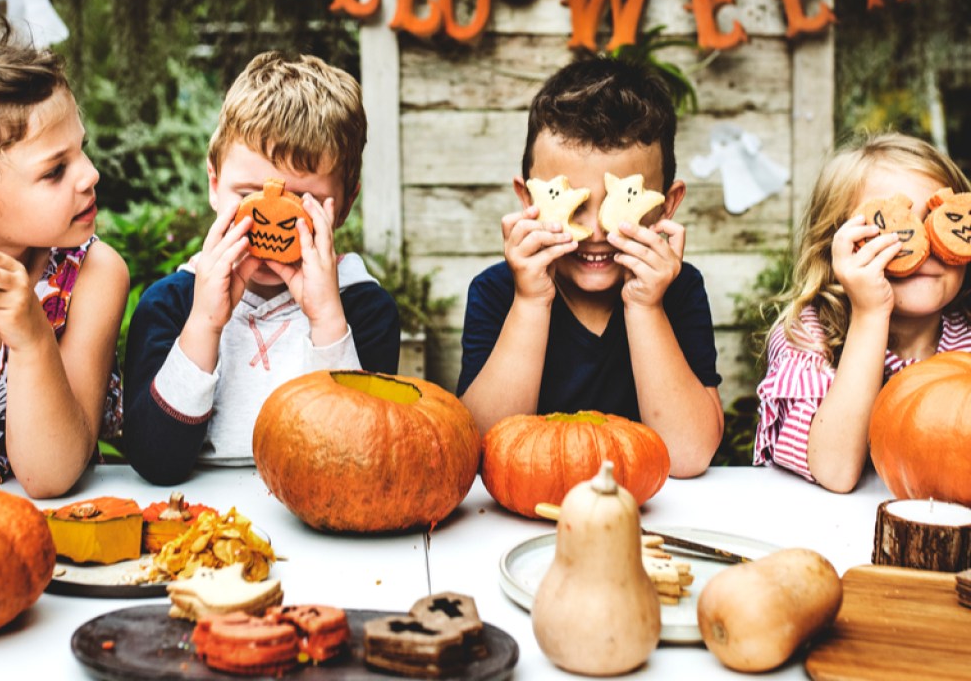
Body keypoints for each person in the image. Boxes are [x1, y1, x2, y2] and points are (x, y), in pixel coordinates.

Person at [123, 51, 400, 485]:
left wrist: (327, 322)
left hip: (321, 518)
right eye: (250, 195)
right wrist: (204, 325)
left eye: (300, 204)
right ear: (215, 185)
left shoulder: (363, 308)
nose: (271, 223)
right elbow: (154, 462)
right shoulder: (171, 304)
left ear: (344, 204)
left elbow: (356, 463)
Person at [458, 56, 723, 478]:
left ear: (667, 205)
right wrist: (530, 302)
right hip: (524, 513)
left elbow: (689, 455)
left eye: (620, 204)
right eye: (575, 204)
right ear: (528, 200)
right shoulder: (497, 292)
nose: (596, 232)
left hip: (648, 513)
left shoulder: (679, 290)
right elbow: (480, 447)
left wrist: (645, 307)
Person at [0, 17, 127, 497]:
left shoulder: (92, 275)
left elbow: (51, 476)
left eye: (81, 150)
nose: (89, 175)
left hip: (41, 529)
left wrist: (32, 337)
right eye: (55, 171)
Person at [754, 133, 971, 493]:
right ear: (834, 247)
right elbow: (835, 470)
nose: (920, 248)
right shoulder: (809, 336)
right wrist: (870, 314)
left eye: (939, 222)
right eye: (893, 227)